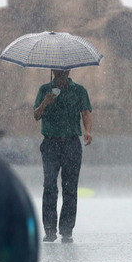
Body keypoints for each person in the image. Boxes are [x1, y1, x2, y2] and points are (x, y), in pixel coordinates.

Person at [33, 69, 92, 243]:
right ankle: (50, 230)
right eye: (58, 71)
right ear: (53, 71)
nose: (61, 74)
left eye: (64, 71)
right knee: (49, 186)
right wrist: (45, 102)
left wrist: (87, 130)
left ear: (68, 71)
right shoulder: (44, 90)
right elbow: (36, 115)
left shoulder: (79, 90)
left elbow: (86, 112)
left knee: (70, 188)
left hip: (71, 143)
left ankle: (67, 230)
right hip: (50, 143)